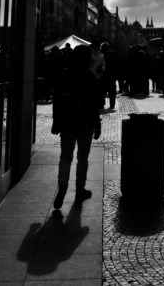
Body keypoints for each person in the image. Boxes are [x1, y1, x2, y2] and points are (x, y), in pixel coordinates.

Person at [51, 44, 102, 208]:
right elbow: (94, 103)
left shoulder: (63, 74)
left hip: (66, 122)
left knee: (65, 156)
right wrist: (97, 124)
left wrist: (56, 122)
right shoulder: (89, 76)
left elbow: (57, 101)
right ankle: (80, 189)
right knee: (82, 158)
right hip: (85, 123)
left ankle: (63, 184)